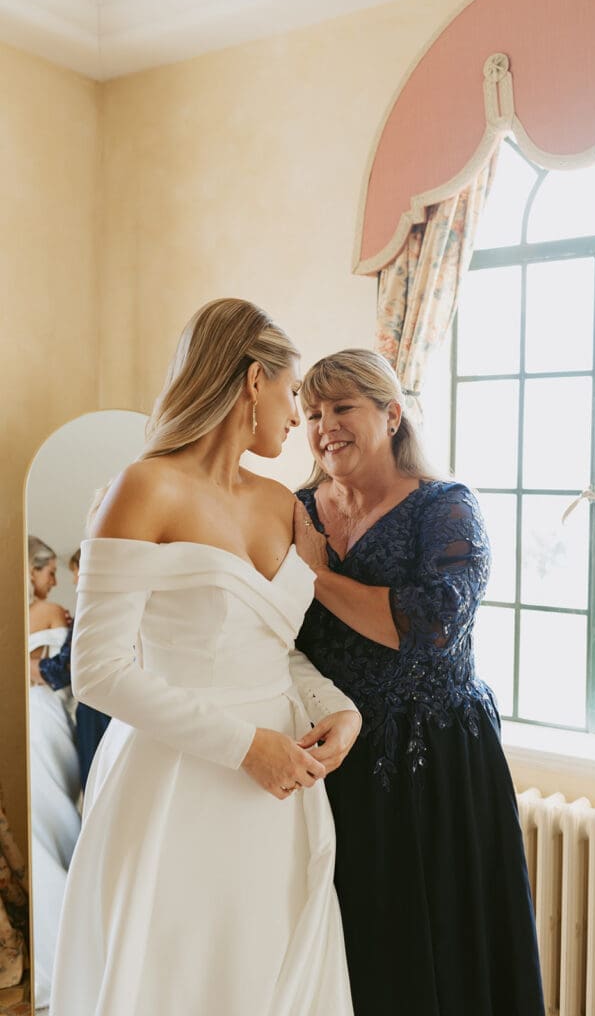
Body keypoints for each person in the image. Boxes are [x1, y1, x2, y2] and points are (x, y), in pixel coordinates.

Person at [50, 299, 360, 1016]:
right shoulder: (143, 487)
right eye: (291, 393)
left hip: (278, 790)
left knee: (267, 973)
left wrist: (336, 710)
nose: (298, 418)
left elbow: (274, 651)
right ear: (253, 382)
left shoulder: (284, 501)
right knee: (178, 979)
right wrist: (244, 745)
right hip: (177, 782)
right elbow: (97, 670)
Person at [293, 349, 545, 1016]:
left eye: (342, 407)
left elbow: (429, 627)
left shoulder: (445, 506)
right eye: (312, 413)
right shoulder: (295, 509)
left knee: (436, 939)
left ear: (391, 413)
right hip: (326, 751)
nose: (325, 426)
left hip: (432, 756)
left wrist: (316, 575)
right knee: (344, 938)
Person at [27, 536, 81, 1011]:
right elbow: (64, 668)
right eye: (48, 573)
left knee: (42, 818)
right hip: (44, 714)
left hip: (29, 712)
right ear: (32, 572)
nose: (55, 581)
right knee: (58, 816)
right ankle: (71, 945)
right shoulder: (52, 612)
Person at [32, 550, 111, 790]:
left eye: (75, 572)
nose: (74, 580)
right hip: (93, 707)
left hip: (99, 710)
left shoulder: (97, 609)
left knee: (98, 782)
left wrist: (24, 666)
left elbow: (66, 667)